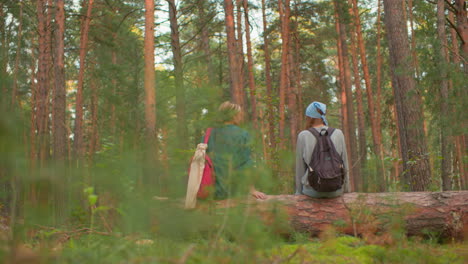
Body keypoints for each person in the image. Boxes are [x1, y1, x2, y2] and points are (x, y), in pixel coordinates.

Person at [204, 101, 266, 200]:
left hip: (211, 191)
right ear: (234, 116)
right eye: (239, 114)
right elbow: (246, 164)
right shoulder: (242, 135)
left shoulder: (209, 134)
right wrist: (252, 190)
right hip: (235, 193)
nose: (241, 116)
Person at [295, 101, 350, 198]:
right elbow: (345, 163)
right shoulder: (338, 133)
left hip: (312, 191)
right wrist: (346, 190)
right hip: (336, 190)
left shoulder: (303, 136)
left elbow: (300, 168)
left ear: (309, 117)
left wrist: (299, 193)